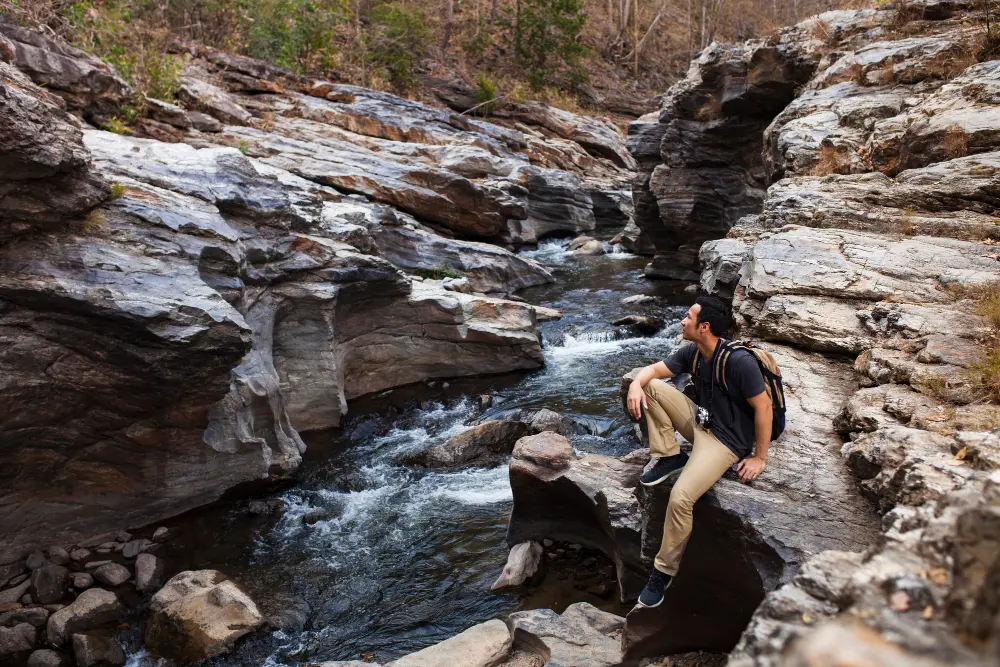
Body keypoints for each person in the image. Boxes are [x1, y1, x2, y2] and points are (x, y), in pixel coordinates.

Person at [625, 296, 772, 608]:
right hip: (702, 423)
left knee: (681, 498)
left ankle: (662, 572)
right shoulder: (693, 351)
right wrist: (637, 383)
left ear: (704, 326)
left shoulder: (738, 362)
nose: (682, 320)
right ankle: (670, 455)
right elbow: (653, 371)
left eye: (688, 317)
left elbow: (764, 408)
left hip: (725, 442)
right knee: (651, 387)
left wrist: (759, 457)